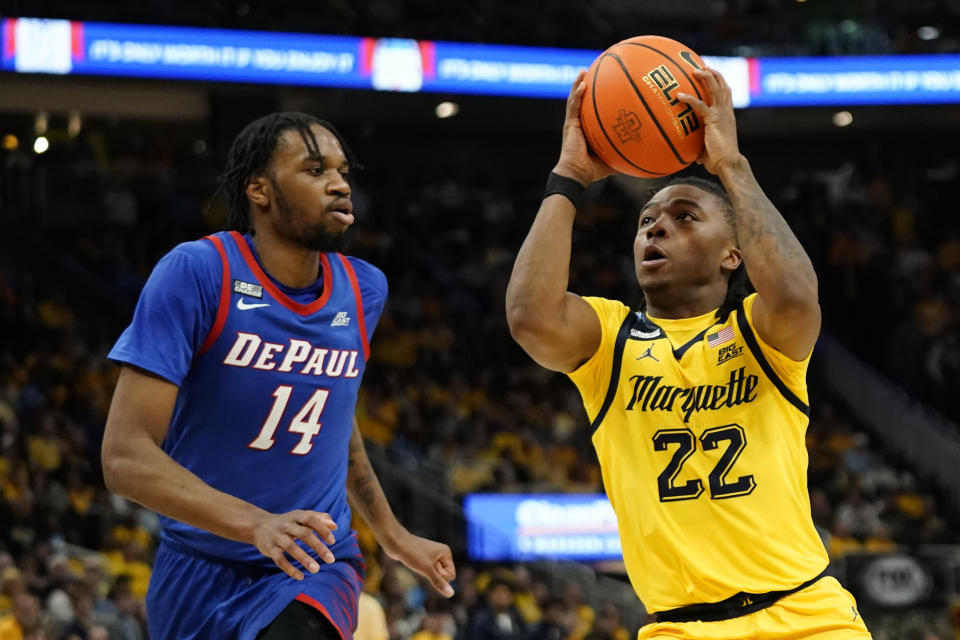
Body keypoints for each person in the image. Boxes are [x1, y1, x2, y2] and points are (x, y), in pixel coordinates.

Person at [505, 69, 872, 639]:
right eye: (647, 220)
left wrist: (731, 164)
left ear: (733, 254)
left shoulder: (758, 331)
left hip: (807, 617)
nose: (656, 229)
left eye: (684, 218)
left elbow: (798, 297)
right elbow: (530, 315)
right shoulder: (610, 339)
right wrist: (570, 177)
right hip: (679, 627)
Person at [102, 112, 456, 640]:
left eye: (342, 171)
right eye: (315, 170)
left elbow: (334, 419)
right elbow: (125, 457)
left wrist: (390, 532)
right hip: (196, 567)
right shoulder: (199, 272)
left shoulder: (364, 290)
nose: (339, 184)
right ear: (259, 190)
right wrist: (257, 525)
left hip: (314, 562)